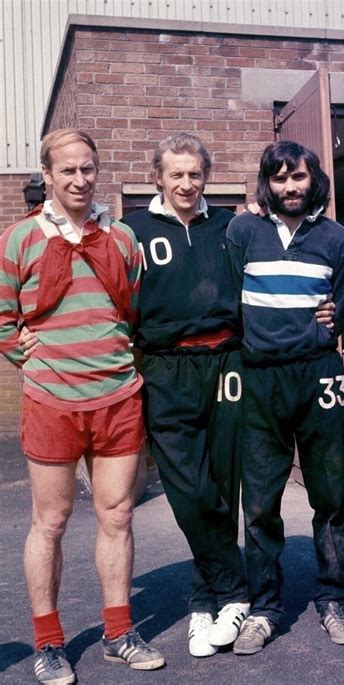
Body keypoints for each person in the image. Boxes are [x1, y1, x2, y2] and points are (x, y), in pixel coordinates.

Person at [0, 128, 165, 684]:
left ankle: (119, 632)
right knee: (50, 521)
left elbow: (133, 313)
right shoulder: (18, 238)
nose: (78, 179)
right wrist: (26, 356)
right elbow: (2, 320)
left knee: (117, 515)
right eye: (66, 170)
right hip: (52, 400)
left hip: (118, 397)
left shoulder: (121, 238)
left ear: (98, 171)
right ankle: (48, 641)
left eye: (87, 168)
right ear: (46, 174)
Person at [226, 140, 344, 655]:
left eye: (298, 177)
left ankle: (333, 600)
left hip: (318, 377)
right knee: (260, 503)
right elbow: (229, 302)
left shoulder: (339, 239)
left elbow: (341, 311)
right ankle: (264, 608)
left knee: (330, 496)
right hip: (259, 379)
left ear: (313, 179)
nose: (290, 187)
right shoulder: (243, 230)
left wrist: (330, 324)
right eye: (279, 178)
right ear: (267, 182)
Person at [123, 133, 250, 658]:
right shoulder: (131, 230)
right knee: (189, 489)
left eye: (194, 174)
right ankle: (236, 586)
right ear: (157, 177)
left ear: (206, 176)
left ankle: (204, 602)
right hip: (165, 367)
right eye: (175, 174)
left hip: (225, 362)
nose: (185, 183)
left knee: (223, 481)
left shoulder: (230, 226)